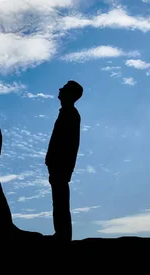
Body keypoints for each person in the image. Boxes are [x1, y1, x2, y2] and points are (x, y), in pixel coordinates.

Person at [45, 80, 83, 241]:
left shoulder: (71, 114)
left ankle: (63, 235)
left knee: (60, 200)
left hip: (61, 165)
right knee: (58, 200)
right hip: (58, 164)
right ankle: (61, 233)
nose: (60, 89)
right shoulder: (67, 112)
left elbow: (70, 144)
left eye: (65, 89)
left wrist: (63, 165)